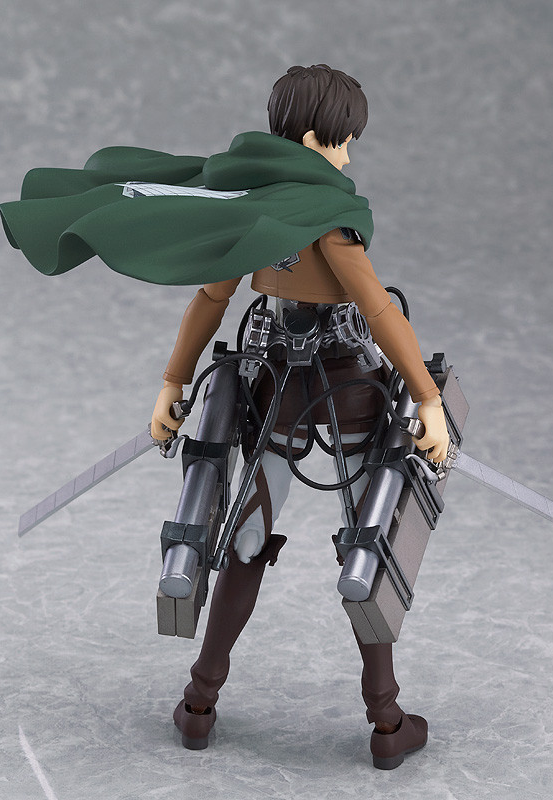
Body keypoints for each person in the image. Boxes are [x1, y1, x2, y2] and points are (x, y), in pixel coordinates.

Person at [152, 64, 449, 770]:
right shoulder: (327, 216)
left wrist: (172, 381)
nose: (346, 158)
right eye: (342, 142)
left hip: (277, 391)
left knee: (247, 541)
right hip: (350, 391)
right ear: (316, 137)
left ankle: (199, 704)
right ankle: (386, 720)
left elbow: (211, 298)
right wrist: (429, 401)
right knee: (368, 545)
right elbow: (378, 311)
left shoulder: (256, 209)